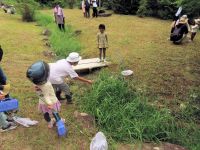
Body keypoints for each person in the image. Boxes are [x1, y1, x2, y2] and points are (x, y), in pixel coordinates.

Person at [27, 61, 64, 129]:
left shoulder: (35, 82)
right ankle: (59, 122)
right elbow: (47, 96)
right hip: (51, 101)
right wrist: (50, 104)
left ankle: (50, 123)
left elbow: (39, 92)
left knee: (46, 113)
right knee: (55, 112)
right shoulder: (47, 84)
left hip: (42, 102)